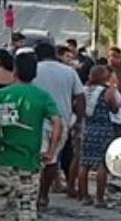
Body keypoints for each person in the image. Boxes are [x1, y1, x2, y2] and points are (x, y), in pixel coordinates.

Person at [0, 51, 63, 221]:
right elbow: (57, 122)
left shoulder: (1, 95)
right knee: (27, 205)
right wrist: (51, 150)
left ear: (15, 71)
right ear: (34, 74)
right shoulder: (42, 97)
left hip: (3, 158)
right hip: (29, 161)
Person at [31, 42, 85, 210]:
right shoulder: (69, 72)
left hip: (35, 120)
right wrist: (79, 121)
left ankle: (32, 193)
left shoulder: (34, 70)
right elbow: (80, 97)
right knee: (52, 159)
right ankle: (43, 195)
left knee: (34, 158)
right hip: (61, 122)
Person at [78, 65, 121, 207]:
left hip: (88, 129)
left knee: (85, 163)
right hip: (103, 129)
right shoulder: (107, 91)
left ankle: (84, 196)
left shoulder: (84, 90)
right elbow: (114, 108)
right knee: (103, 164)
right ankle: (99, 198)